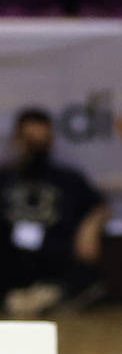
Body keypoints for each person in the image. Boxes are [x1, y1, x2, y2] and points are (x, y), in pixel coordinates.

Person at [0, 109, 108, 318]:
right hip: (11, 259)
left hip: (54, 257)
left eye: (42, 141)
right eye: (30, 140)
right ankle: (21, 298)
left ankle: (43, 296)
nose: (36, 148)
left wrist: (91, 226)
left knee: (87, 275)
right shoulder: (4, 177)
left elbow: (99, 206)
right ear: (16, 139)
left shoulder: (68, 178)